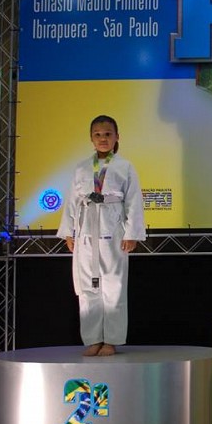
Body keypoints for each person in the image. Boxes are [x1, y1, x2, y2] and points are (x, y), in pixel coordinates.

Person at [57, 115, 146, 356]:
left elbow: (134, 201)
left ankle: (111, 341)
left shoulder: (125, 167)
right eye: (97, 134)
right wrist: (68, 232)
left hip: (113, 232)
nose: (103, 138)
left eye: (107, 134)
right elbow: (72, 201)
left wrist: (132, 233)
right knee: (88, 289)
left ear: (117, 137)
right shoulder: (81, 168)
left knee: (114, 288)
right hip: (86, 233)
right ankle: (93, 339)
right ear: (91, 138)